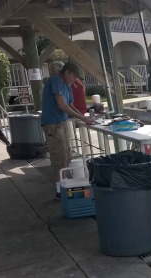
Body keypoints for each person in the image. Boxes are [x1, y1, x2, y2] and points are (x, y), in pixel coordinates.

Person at [40, 62, 95, 199]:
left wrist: (84, 117)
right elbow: (62, 105)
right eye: (73, 76)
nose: (74, 79)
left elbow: (71, 104)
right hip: (52, 124)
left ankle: (65, 185)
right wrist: (83, 118)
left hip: (62, 123)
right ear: (67, 72)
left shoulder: (67, 85)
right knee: (58, 156)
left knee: (66, 155)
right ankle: (60, 189)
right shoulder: (56, 80)